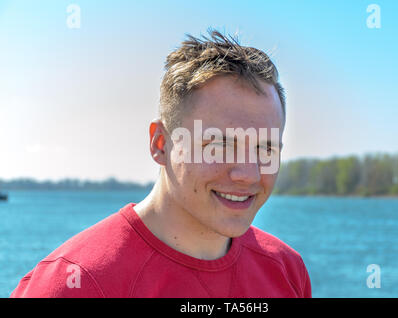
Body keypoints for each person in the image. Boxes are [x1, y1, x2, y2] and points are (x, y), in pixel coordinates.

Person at [10, 29, 311, 298]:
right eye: (219, 145)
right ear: (161, 144)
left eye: (265, 149)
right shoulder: (74, 283)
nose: (248, 174)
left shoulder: (286, 270)